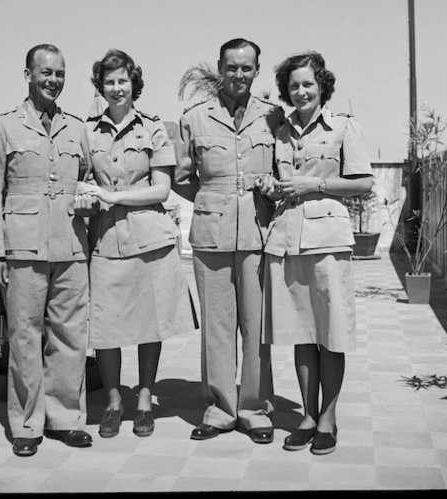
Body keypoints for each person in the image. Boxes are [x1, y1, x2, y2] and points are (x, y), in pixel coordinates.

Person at [0, 43, 94, 457]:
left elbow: (91, 184)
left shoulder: (78, 128)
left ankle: (64, 418)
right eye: (46, 73)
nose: (54, 80)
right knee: (24, 337)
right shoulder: (4, 127)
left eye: (60, 73)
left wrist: (89, 199)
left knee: (70, 336)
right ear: (28, 75)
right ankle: (27, 424)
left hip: (71, 249)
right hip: (22, 250)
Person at [257, 50, 373, 456]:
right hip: (287, 239)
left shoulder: (344, 127)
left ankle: (328, 418)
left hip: (327, 242)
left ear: (322, 86)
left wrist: (316, 186)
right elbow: (278, 182)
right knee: (302, 334)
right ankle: (308, 414)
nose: (301, 91)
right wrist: (273, 187)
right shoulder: (280, 131)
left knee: (331, 334)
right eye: (294, 86)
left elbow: (363, 184)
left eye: (308, 83)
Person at [78, 49, 196, 439]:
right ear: (101, 86)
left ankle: (144, 400)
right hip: (106, 240)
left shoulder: (154, 128)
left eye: (123, 81)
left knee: (150, 325)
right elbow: (79, 178)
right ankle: (114, 402)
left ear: (134, 85)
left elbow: (162, 188)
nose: (116, 88)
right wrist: (87, 193)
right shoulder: (87, 130)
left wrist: (116, 197)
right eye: (109, 82)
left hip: (150, 239)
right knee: (106, 329)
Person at [173, 37, 284, 444]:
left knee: (256, 327)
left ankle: (254, 409)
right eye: (232, 67)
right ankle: (221, 409)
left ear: (257, 70)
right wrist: (213, 199)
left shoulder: (274, 117)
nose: (239, 75)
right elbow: (183, 178)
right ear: (220, 69)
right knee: (217, 328)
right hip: (211, 234)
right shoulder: (194, 117)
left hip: (258, 232)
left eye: (247, 68)